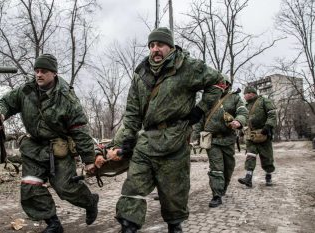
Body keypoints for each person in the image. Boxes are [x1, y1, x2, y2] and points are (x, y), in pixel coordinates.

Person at [110, 27, 224, 233]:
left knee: (174, 196)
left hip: (175, 139)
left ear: (170, 47)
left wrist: (201, 109)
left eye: (159, 45)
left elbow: (219, 82)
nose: (155, 49)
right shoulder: (140, 75)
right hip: (146, 141)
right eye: (151, 45)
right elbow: (133, 112)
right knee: (133, 188)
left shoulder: (187, 67)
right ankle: (128, 226)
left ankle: (175, 225)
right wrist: (127, 140)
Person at [0, 54, 99, 233]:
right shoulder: (26, 90)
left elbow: (79, 129)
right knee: (30, 186)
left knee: (65, 188)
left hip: (59, 147)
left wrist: (89, 159)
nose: (39, 75)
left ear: (54, 73)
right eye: (37, 71)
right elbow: (6, 103)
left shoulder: (66, 97)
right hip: (34, 147)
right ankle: (53, 224)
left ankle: (90, 201)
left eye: (44, 71)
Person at [192, 75, 248, 208]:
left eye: (223, 83)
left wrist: (238, 121)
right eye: (217, 83)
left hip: (228, 138)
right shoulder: (208, 99)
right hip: (212, 140)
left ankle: (222, 188)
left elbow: (242, 111)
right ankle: (216, 194)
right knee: (216, 168)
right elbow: (199, 120)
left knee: (229, 167)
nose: (220, 85)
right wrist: (195, 137)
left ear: (227, 85)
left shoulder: (234, 98)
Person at [238, 86, 277, 187]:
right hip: (251, 135)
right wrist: (241, 131)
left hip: (263, 133)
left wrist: (268, 126)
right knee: (250, 155)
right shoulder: (245, 105)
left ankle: (268, 176)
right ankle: (248, 178)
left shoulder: (264, 101)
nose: (244, 96)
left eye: (245, 94)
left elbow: (272, 114)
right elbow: (245, 119)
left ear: (251, 93)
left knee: (267, 157)